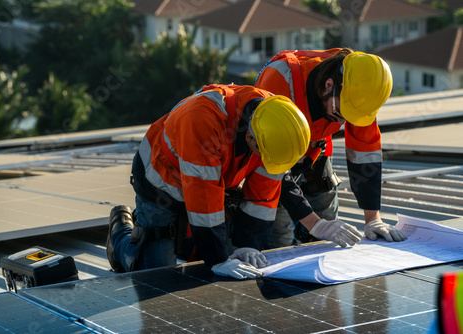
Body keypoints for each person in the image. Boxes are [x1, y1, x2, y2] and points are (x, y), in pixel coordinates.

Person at [106, 84, 312, 280]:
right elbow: (202, 196)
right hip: (161, 182)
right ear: (250, 137)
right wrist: (218, 259)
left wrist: (247, 244)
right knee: (157, 275)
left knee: (220, 257)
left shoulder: (275, 122)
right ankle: (121, 233)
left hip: (206, 181)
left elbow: (262, 197)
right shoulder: (202, 119)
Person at [254, 48, 407, 247]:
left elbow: (365, 153)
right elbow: (271, 165)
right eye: (341, 114)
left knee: (329, 233)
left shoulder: (360, 88)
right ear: (329, 86)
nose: (344, 122)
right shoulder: (281, 80)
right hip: (274, 155)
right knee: (280, 235)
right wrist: (315, 224)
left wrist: (373, 218)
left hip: (317, 149)